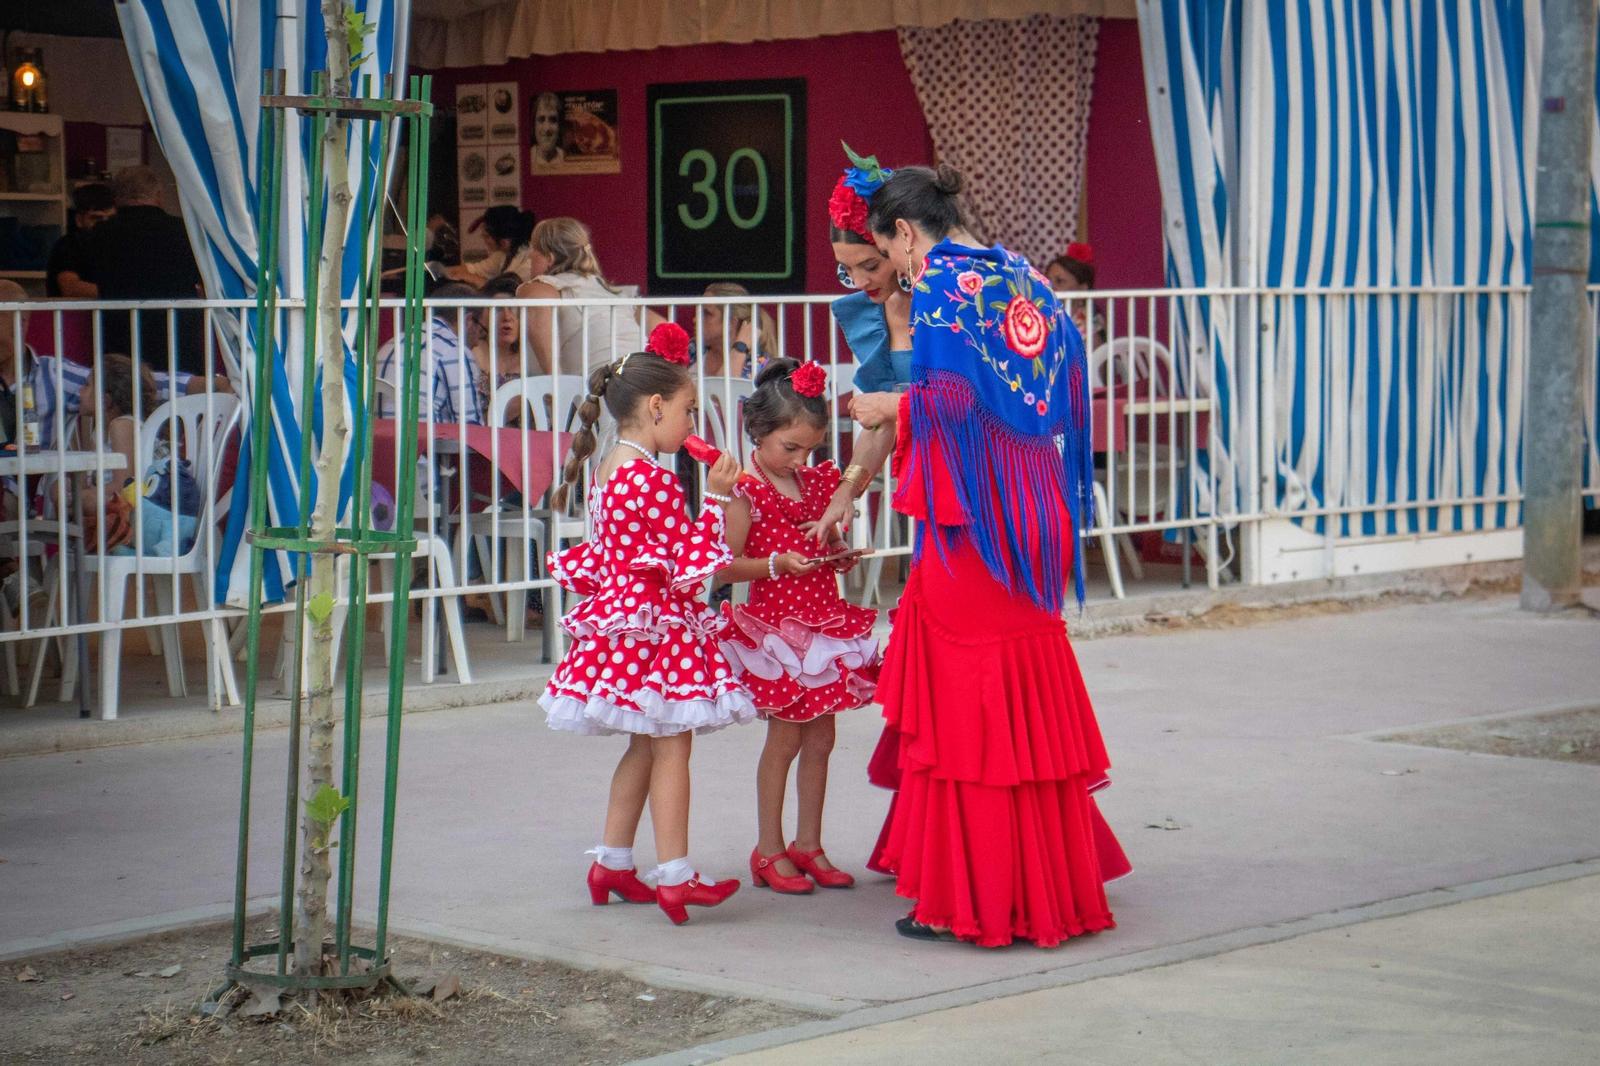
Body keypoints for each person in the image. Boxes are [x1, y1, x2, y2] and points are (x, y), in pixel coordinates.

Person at [817, 164, 1130, 947]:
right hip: (1034, 502)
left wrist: (889, 403)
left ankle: (982, 897)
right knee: (1020, 702)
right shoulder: (1021, 274)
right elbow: (1053, 387)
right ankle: (1037, 881)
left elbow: (953, 403)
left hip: (973, 514)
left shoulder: (942, 287)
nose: (894, 268)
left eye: (886, 250)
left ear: (905, 233)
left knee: (972, 708)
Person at [539, 322, 757, 926]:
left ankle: (611, 862)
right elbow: (690, 563)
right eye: (689, 411)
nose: (692, 425)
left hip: (626, 628)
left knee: (645, 742)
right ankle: (676, 876)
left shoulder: (609, 467)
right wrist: (718, 498)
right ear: (656, 407)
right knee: (672, 746)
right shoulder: (654, 477)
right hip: (658, 629)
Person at [715, 357, 880, 894]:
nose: (800, 459)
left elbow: (825, 538)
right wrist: (776, 565)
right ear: (758, 431)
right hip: (779, 638)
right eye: (790, 447)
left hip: (822, 630)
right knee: (784, 741)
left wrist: (838, 551)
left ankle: (809, 843)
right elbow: (723, 566)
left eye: (809, 449)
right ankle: (768, 848)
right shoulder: (745, 490)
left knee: (822, 740)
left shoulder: (816, 483)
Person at [80, 166, 206, 374]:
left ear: (116, 199)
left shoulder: (101, 234)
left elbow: (85, 281)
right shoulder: (185, 232)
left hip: (122, 348)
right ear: (158, 195)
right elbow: (204, 281)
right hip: (179, 345)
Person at [516, 217, 663, 376]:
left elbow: (540, 300)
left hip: (603, 383)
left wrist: (554, 380)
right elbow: (664, 328)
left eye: (534, 249)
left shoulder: (543, 288)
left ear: (549, 258)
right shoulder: (614, 294)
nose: (529, 255)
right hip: (646, 377)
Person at [375, 281, 487, 426]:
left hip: (375, 438)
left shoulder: (390, 344)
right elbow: (470, 427)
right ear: (468, 319)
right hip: (424, 439)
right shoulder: (454, 350)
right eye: (481, 330)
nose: (478, 342)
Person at [47, 183, 114, 298]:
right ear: (79, 220)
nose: (105, 224)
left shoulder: (116, 245)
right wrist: (120, 292)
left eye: (111, 219)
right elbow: (70, 288)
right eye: (96, 218)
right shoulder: (68, 245)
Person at [693, 282, 774, 379]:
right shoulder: (694, 349)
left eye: (706, 313)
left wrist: (740, 348)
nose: (695, 320)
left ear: (730, 323)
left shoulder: (759, 362)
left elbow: (723, 388)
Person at [449, 206, 537, 285]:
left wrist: (465, 277)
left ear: (504, 242)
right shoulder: (503, 254)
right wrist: (443, 271)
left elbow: (506, 289)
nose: (482, 238)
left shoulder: (530, 262)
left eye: (486, 236)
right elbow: (474, 270)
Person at [1046, 243, 1105, 348]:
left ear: (1082, 287)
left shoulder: (1088, 331)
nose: (1050, 287)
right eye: (1047, 280)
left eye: (1059, 281)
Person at [531, 92, 565, 169]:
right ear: (534, 125)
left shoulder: (567, 158)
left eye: (553, 120)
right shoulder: (526, 158)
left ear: (560, 125)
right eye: (541, 119)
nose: (547, 128)